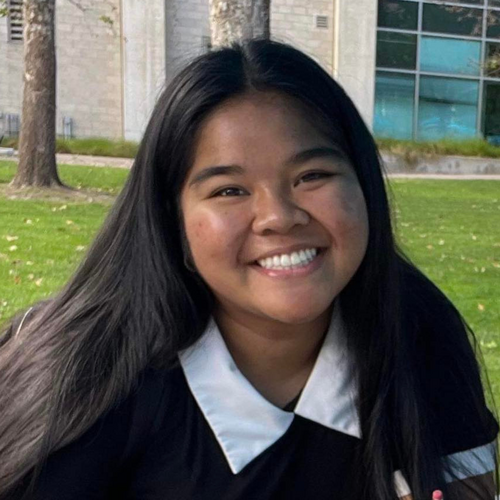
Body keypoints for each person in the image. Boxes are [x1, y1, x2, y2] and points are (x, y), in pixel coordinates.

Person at [0, 40, 497, 500]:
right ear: (173, 221)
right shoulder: (86, 373)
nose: (279, 216)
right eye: (229, 190)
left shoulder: (416, 328)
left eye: (312, 176)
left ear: (363, 183)